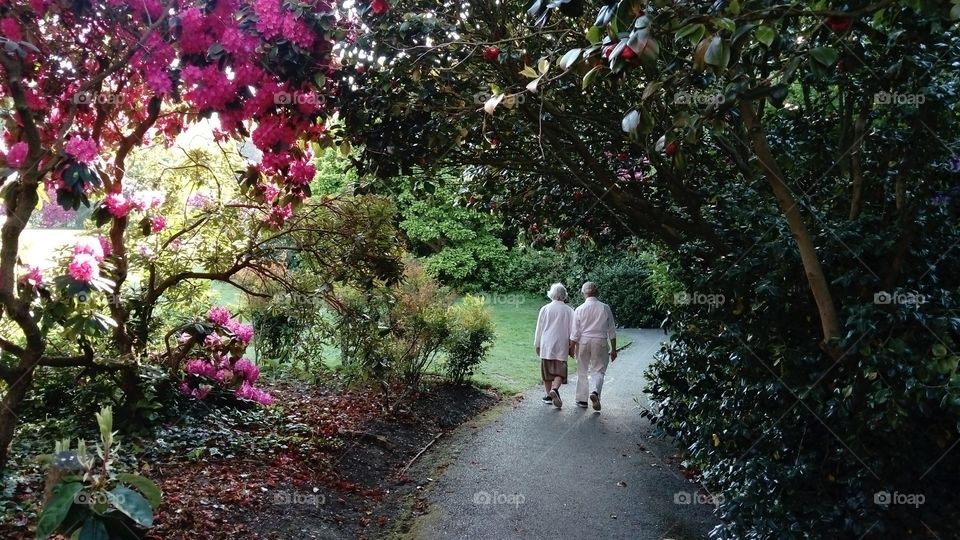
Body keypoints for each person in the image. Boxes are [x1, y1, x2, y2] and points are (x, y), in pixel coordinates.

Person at [570, 282, 617, 411]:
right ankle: (595, 392)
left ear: (583, 293)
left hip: (583, 341)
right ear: (597, 292)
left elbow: (575, 332)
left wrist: (571, 347)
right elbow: (612, 330)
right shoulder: (604, 308)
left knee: (582, 370)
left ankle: (581, 399)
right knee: (599, 369)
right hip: (600, 341)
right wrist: (613, 349)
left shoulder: (579, 309)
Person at [534, 283, 575, 408]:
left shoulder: (545, 309)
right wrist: (572, 345)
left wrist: (537, 343)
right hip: (562, 343)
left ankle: (548, 395)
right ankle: (555, 389)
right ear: (564, 295)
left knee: (546, 371)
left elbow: (539, 328)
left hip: (546, 343)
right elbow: (573, 330)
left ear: (551, 294)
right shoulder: (569, 311)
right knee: (560, 370)